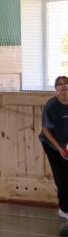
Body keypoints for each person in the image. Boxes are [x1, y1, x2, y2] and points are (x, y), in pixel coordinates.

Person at [39, 75, 68, 220]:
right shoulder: (51, 106)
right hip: (51, 144)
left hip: (66, 143)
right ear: (56, 88)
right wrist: (59, 149)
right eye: (60, 84)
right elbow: (45, 129)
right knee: (62, 176)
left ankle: (60, 185)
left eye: (66, 83)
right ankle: (64, 209)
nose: (64, 87)